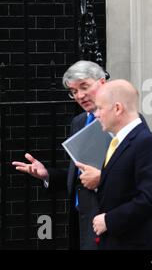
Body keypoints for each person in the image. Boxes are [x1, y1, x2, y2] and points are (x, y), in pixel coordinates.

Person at [12, 60, 107, 250]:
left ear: (102, 82)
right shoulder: (79, 121)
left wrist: (101, 178)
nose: (80, 96)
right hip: (81, 215)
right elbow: (79, 177)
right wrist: (47, 174)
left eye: (84, 87)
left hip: (108, 216)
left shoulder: (121, 118)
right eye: (73, 91)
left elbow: (135, 172)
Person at [92, 80, 152, 250]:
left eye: (100, 108)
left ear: (117, 108)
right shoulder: (119, 141)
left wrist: (109, 220)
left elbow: (151, 200)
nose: (96, 114)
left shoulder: (146, 143)